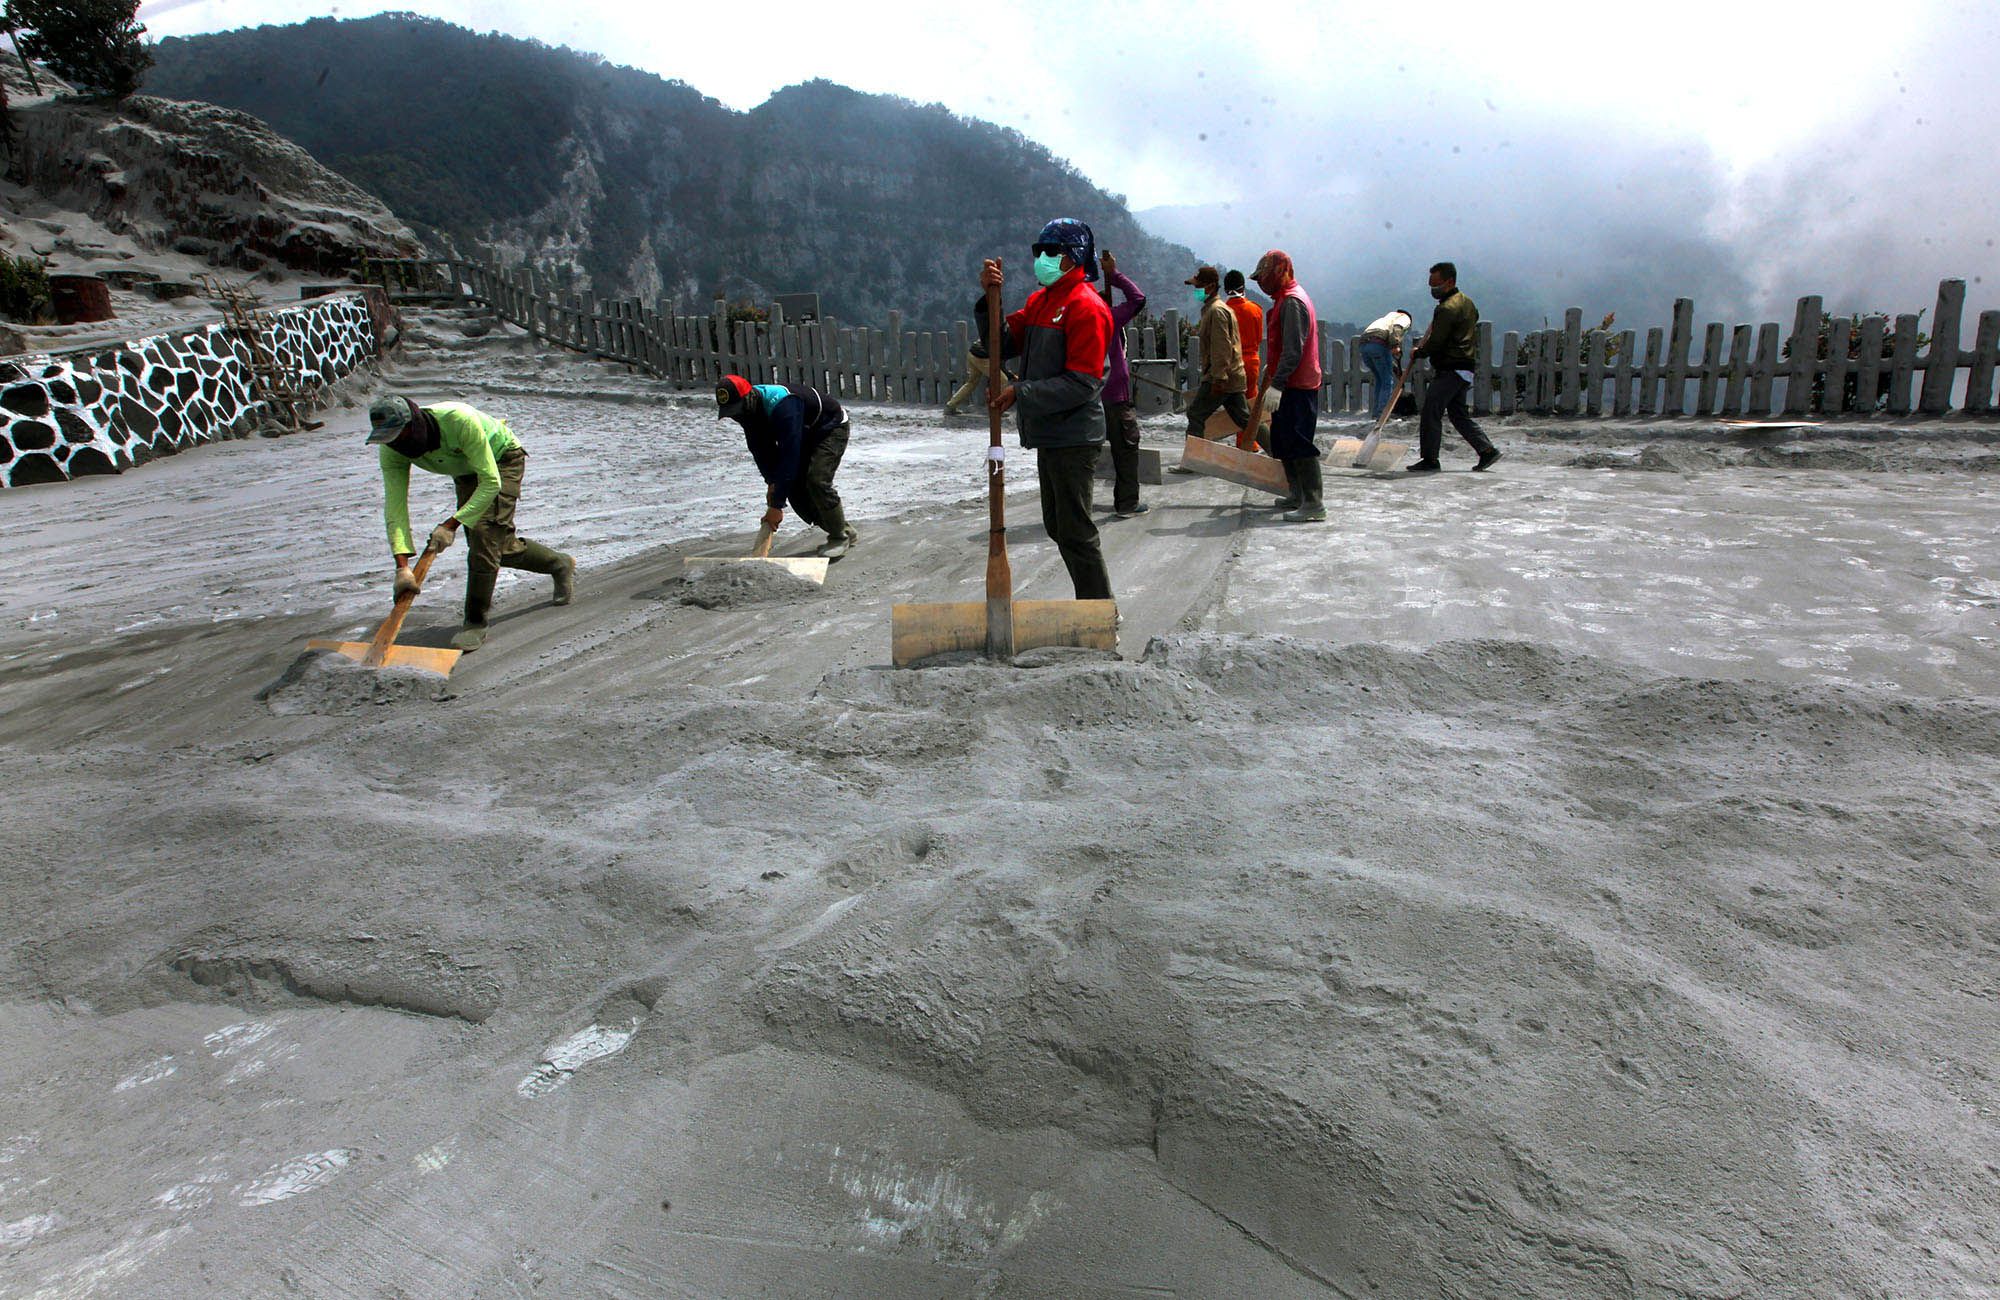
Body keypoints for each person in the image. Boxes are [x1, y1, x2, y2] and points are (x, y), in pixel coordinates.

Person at [368, 393, 575, 653]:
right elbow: (395, 506)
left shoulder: (457, 420)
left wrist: (450, 525)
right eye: (389, 440)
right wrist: (402, 566)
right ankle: (559, 563)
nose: (395, 444)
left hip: (501, 460)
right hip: (465, 469)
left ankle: (475, 622)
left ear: (414, 426)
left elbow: (491, 482)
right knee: (499, 548)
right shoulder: (391, 449)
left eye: (399, 436)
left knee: (483, 537)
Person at [981, 217, 1115, 600]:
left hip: (1074, 434)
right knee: (1058, 525)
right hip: (1050, 432)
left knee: (1075, 529)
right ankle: (1095, 605)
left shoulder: (1086, 307)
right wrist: (990, 298)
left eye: (1050, 252)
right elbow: (1001, 343)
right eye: (1038, 251)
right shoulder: (1042, 301)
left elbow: (1083, 383)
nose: (1041, 259)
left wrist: (1020, 393)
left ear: (1072, 258)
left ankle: (1099, 610)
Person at [716, 374, 858, 559]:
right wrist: (772, 483)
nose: (736, 416)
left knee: (816, 480)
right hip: (804, 432)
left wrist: (776, 506)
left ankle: (839, 537)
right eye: (731, 412)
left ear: (749, 397)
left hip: (830, 428)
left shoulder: (783, 405)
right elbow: (760, 449)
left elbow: (789, 455)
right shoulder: (747, 412)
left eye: (737, 409)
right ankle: (844, 529)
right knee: (795, 492)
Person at [1251, 249, 1325, 522]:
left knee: (1300, 442)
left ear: (1278, 272)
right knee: (1283, 440)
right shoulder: (1284, 299)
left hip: (1298, 384)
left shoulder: (1293, 301)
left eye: (1264, 277)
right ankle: (1297, 493)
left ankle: (1314, 503)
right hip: (1289, 380)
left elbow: (1294, 349)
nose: (1261, 283)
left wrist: (1278, 384)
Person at [1408, 262, 1501, 474]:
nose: (1433, 289)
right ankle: (1486, 450)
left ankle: (1430, 459)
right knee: (1458, 414)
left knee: (1431, 409)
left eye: (1436, 285)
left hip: (1451, 367)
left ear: (1450, 282)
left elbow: (1437, 341)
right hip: (1465, 366)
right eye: (1430, 285)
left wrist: (1419, 352)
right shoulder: (1467, 303)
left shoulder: (1447, 309)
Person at [1098, 249, 1149, 519]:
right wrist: (1114, 275)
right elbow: (1138, 299)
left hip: (1087, 396)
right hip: (1115, 398)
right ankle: (1127, 503)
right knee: (1126, 451)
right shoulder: (1108, 317)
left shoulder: (1080, 317)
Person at [1181, 265, 1249, 440]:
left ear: (1210, 287)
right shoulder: (1214, 308)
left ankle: (1193, 460)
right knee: (1245, 420)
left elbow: (1221, 347)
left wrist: (1218, 378)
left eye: (1198, 287)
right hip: (1231, 375)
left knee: (1195, 414)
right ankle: (1279, 454)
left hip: (1220, 377)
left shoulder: (1216, 311)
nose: (1196, 291)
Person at [1222, 269, 1265, 450]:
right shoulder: (1255, 309)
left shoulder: (1223, 311)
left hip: (1232, 363)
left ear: (1225, 289)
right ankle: (1250, 443)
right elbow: (1258, 338)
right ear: (1243, 287)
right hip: (1252, 362)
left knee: (1235, 405)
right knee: (1250, 404)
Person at [1358, 308, 1414, 420]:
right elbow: (1397, 328)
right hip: (1378, 343)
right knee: (1387, 382)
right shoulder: (1404, 318)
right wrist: (1395, 346)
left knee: (1380, 379)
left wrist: (1393, 364)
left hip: (1364, 345)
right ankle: (1382, 414)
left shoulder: (1387, 318)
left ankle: (1376, 413)